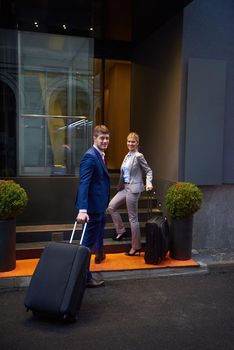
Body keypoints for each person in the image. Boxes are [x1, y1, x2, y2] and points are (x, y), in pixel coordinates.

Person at [75, 125, 110, 288]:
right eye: (101, 138)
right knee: (86, 245)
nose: (105, 141)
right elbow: (84, 183)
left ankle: (99, 255)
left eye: (107, 138)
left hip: (99, 207)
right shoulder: (90, 157)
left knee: (96, 236)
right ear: (94, 139)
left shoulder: (99, 155)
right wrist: (83, 210)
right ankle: (84, 278)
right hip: (92, 209)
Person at [108, 132, 153, 256]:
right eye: (128, 141)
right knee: (111, 207)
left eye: (133, 141)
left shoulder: (139, 156)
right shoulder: (127, 155)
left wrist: (148, 183)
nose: (130, 143)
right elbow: (124, 173)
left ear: (137, 143)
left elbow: (148, 171)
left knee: (133, 218)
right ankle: (121, 231)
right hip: (125, 187)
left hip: (133, 189)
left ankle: (136, 246)